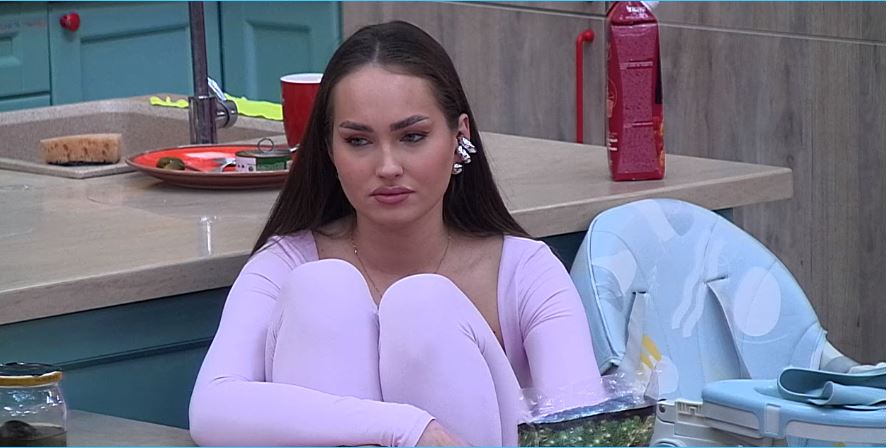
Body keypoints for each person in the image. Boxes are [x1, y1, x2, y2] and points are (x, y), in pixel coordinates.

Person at [189, 21, 604, 447]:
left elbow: (587, 435)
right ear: (329, 149)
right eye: (358, 141)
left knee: (423, 307)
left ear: (459, 136)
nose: (388, 167)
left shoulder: (525, 271)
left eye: (413, 137)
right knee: (322, 290)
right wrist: (405, 427)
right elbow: (211, 408)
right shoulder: (287, 263)